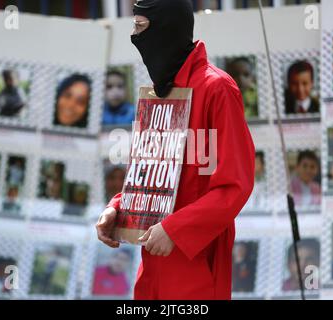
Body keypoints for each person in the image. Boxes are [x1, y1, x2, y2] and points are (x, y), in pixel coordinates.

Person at [96, 0, 255, 300]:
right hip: (151, 269)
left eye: (141, 27)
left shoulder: (217, 89)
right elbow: (150, 175)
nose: (135, 36)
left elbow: (236, 185)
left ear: (166, 29)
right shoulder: (159, 92)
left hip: (196, 267)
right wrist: (116, 209)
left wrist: (176, 230)